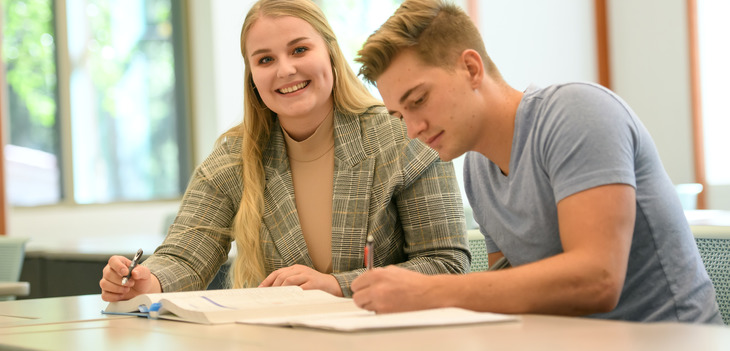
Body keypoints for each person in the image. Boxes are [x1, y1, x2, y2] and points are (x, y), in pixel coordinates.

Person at [350, 0, 722, 323]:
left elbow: (597, 280)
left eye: (418, 100)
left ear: (471, 68)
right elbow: (515, 295)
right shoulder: (479, 172)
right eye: (399, 116)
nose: (412, 130)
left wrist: (429, 291)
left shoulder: (578, 114)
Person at [99, 0, 470, 302]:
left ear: (330, 53)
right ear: (252, 77)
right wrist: (147, 281)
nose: (286, 69)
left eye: (299, 49)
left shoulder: (402, 135)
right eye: (265, 59)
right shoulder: (234, 156)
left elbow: (446, 264)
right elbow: (186, 255)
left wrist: (340, 285)